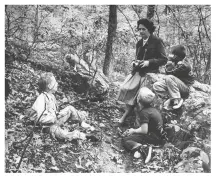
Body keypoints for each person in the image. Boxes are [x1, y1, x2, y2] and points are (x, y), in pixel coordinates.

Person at [117, 18, 167, 125]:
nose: (141, 31)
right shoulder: (139, 43)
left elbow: (164, 59)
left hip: (150, 73)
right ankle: (128, 110)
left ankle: (130, 117)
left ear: (149, 29)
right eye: (139, 29)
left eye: (143, 29)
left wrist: (149, 62)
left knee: (140, 95)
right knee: (124, 88)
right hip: (138, 71)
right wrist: (135, 63)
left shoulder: (157, 41)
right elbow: (138, 57)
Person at [26, 72, 98, 141]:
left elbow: (53, 112)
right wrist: (53, 118)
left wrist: (58, 114)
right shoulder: (41, 98)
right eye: (55, 82)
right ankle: (83, 136)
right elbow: (39, 118)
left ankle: (82, 123)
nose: (57, 83)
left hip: (54, 121)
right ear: (49, 86)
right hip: (46, 126)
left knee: (70, 108)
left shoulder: (52, 96)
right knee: (60, 133)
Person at [122, 87, 167, 163]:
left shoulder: (144, 112)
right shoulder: (152, 110)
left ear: (138, 99)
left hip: (153, 138)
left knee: (125, 140)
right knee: (130, 135)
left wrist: (133, 131)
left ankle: (143, 148)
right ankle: (142, 147)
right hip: (158, 136)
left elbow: (144, 130)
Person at [153, 45, 195, 110]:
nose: (170, 56)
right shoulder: (176, 62)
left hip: (185, 88)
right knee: (157, 85)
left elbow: (170, 74)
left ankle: (177, 99)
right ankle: (170, 99)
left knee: (169, 77)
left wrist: (169, 64)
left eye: (172, 55)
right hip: (176, 86)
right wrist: (170, 63)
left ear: (176, 56)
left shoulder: (184, 65)